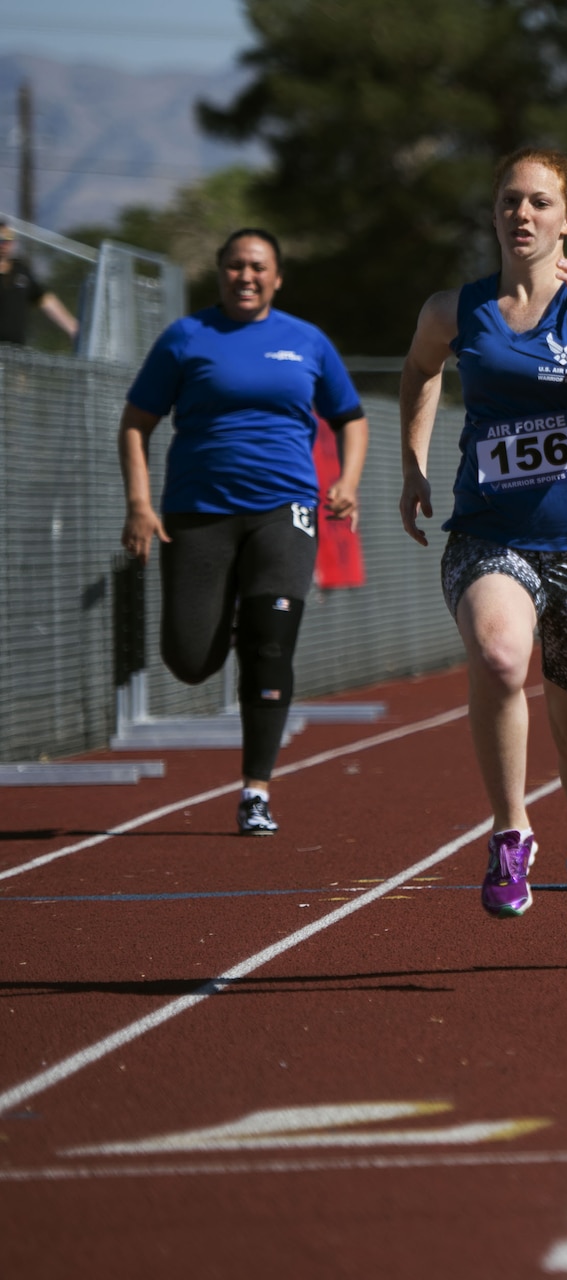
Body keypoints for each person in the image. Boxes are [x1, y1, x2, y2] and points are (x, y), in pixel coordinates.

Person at [398, 147, 567, 965]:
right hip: (489, 533)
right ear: (495, 213)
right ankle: (511, 830)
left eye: (540, 202)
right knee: (501, 656)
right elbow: (421, 369)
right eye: (510, 201)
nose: (523, 215)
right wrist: (411, 460)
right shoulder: (454, 308)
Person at [117, 228, 367, 834]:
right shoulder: (186, 338)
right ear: (221, 274)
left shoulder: (306, 341)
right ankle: (230, 616)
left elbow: (350, 418)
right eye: (234, 266)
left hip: (284, 509)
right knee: (189, 659)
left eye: (258, 267)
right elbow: (135, 423)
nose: (246, 276)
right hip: (198, 511)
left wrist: (349, 482)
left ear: (276, 277)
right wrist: (139, 503)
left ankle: (256, 788)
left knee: (272, 643)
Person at [0, 223, 79, 346]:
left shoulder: (21, 271)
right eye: (0, 240)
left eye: (8, 239)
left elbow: (44, 299)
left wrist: (72, 327)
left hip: (15, 352)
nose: (3, 245)